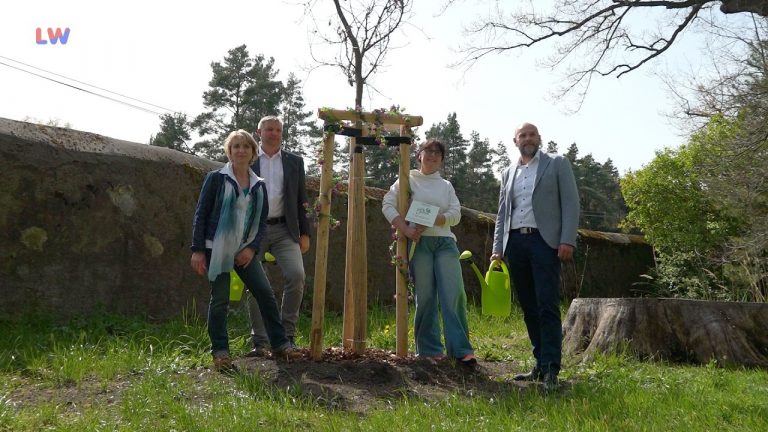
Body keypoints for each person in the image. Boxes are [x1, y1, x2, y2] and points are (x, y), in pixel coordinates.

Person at [190, 130, 302, 372]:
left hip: (244, 251)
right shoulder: (216, 178)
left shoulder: (257, 185)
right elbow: (201, 214)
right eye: (235, 146)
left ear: (253, 152)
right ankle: (221, 353)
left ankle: (280, 344)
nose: (240, 150)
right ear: (229, 151)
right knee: (220, 300)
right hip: (216, 248)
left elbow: (260, 222)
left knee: (264, 293)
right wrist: (198, 250)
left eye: (245, 147)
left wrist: (251, 248)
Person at [490, 122, 579, 391]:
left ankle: (552, 368)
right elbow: (502, 212)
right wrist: (498, 248)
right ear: (515, 141)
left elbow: (571, 202)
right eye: (522, 135)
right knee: (528, 306)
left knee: (547, 305)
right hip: (515, 242)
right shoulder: (508, 172)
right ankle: (539, 364)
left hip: (545, 242)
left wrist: (567, 239)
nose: (527, 138)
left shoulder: (557, 164)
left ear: (539, 138)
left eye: (532, 134)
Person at [382, 139, 477, 364]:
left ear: (442, 160)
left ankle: (461, 350)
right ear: (419, 155)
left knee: (453, 294)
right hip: (419, 244)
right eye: (429, 151)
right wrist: (404, 229)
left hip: (445, 243)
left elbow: (456, 213)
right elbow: (387, 204)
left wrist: (437, 218)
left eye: (438, 153)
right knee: (425, 296)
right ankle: (429, 350)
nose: (433, 156)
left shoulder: (446, 186)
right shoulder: (407, 180)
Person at [246, 116, 311, 356]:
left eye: (278, 130)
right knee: (254, 282)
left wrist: (305, 232)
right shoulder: (248, 159)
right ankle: (260, 341)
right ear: (259, 132)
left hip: (285, 229)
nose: (274, 133)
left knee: (297, 275)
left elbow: (301, 198)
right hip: (255, 230)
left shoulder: (294, 161)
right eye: (269, 129)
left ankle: (286, 336)